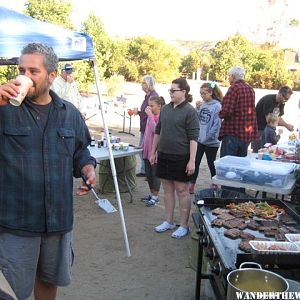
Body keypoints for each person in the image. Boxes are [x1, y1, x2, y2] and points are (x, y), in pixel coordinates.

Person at [0, 43, 97, 300]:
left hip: (57, 220)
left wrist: (88, 168)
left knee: (48, 280)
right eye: (22, 70)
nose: (25, 76)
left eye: (34, 71)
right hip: (17, 222)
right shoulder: (4, 110)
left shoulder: (70, 114)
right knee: (10, 291)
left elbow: (80, 152)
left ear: (51, 76)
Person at [150, 78, 199, 239]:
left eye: (174, 90)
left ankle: (184, 225)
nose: (170, 93)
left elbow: (193, 137)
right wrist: (153, 151)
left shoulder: (190, 111)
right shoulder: (165, 109)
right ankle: (169, 221)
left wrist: (192, 160)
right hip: (164, 155)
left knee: (182, 191)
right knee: (167, 189)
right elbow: (158, 131)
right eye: (170, 90)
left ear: (183, 92)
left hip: (181, 156)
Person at [188, 82, 223, 194]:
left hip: (211, 142)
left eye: (204, 94)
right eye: (201, 94)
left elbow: (216, 124)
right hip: (200, 140)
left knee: (211, 163)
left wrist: (209, 137)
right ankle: (192, 183)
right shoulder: (203, 104)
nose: (202, 96)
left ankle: (215, 183)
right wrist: (197, 109)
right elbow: (197, 118)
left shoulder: (217, 106)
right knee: (195, 161)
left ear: (211, 93)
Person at [219, 66, 258, 158]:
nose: (228, 78)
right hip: (245, 133)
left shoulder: (234, 88)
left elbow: (227, 111)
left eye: (229, 76)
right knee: (239, 164)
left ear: (233, 76)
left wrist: (219, 112)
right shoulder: (250, 89)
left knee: (227, 163)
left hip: (233, 131)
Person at [252, 86, 294, 152]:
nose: (286, 101)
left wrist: (286, 125)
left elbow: (278, 117)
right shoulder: (268, 100)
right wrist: (286, 125)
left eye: (287, 99)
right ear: (280, 94)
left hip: (268, 129)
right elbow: (270, 119)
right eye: (285, 98)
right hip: (259, 129)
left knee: (268, 150)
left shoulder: (281, 103)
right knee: (258, 151)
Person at [141, 96, 165, 207]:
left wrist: (150, 117)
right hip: (146, 150)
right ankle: (151, 194)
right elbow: (147, 133)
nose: (150, 108)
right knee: (148, 174)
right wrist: (142, 145)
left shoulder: (160, 118)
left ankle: (155, 196)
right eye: (149, 106)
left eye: (152, 106)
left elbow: (156, 131)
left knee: (155, 174)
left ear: (159, 106)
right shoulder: (151, 117)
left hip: (155, 152)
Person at [134, 75, 158, 177]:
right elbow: (146, 111)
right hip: (145, 125)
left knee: (145, 149)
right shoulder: (147, 96)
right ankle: (145, 170)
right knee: (143, 148)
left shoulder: (153, 96)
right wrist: (138, 112)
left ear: (148, 84)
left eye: (143, 83)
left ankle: (147, 171)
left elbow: (151, 112)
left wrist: (140, 112)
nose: (142, 85)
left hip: (149, 126)